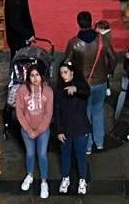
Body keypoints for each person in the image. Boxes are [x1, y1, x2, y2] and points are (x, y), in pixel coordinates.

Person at [64, 11, 116, 154]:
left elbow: (67, 62)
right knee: (98, 110)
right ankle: (99, 142)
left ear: (78, 23)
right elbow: (113, 59)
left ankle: (87, 145)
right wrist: (108, 72)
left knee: (84, 112)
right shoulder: (102, 40)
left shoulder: (74, 43)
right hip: (100, 81)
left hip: (82, 83)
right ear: (91, 21)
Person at [53, 59, 92, 195]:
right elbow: (56, 111)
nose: (63, 75)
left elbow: (86, 92)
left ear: (72, 73)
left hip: (81, 128)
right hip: (66, 130)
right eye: (61, 73)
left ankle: (82, 180)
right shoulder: (58, 89)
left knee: (81, 156)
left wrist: (75, 89)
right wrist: (59, 130)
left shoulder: (80, 85)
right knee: (65, 155)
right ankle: (66, 178)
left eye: (66, 72)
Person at [16, 64, 54, 199]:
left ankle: (44, 181)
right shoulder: (22, 90)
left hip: (42, 130)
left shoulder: (48, 91)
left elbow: (48, 114)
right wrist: (28, 129)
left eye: (37, 75)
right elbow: (19, 111)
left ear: (42, 76)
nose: (35, 78)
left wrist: (38, 130)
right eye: (32, 75)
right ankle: (30, 175)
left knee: (42, 154)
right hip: (27, 129)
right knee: (30, 153)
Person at [3, 0, 35, 71]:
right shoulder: (13, 3)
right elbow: (14, 24)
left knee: (23, 60)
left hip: (23, 36)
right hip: (17, 40)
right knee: (17, 61)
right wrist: (28, 35)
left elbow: (26, 16)